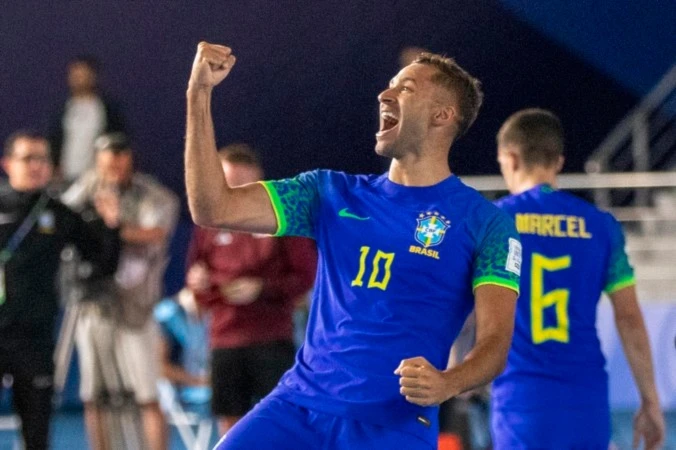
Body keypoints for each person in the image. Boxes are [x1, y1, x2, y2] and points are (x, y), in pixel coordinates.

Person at [185, 42, 522, 450]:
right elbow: (212, 207)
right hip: (297, 407)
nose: (385, 94)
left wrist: (448, 382)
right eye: (389, 85)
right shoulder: (329, 192)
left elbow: (495, 344)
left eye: (406, 88)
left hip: (392, 425)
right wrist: (198, 95)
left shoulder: (487, 224)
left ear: (442, 115)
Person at [491, 108, 665, 450]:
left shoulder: (495, 222)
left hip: (522, 400)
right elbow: (629, 318)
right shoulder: (601, 226)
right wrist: (650, 401)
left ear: (510, 158)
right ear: (558, 162)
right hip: (586, 400)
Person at [185, 143, 317, 435]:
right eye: (226, 181)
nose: (231, 190)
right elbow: (196, 274)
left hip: (271, 337)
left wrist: (261, 288)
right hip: (224, 338)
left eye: (239, 183)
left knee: (281, 422)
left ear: (257, 178)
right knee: (230, 423)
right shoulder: (209, 221)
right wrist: (199, 286)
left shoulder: (281, 217)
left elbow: (305, 276)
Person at [0, 130, 120, 449]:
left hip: (35, 338)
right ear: (8, 163)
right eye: (28, 158)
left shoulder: (60, 213)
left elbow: (102, 264)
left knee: (37, 433)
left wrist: (110, 227)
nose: (37, 165)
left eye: (43, 159)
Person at [62, 132, 179, 450]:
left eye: (118, 161)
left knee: (147, 395)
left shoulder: (154, 196)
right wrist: (97, 227)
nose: (112, 169)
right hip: (94, 306)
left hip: (135, 309)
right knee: (94, 397)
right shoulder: (86, 188)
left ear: (130, 160)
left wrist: (110, 226)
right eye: (105, 164)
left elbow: (155, 233)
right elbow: (62, 221)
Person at [47, 55, 126, 185]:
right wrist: (54, 167)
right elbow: (53, 140)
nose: (80, 79)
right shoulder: (62, 110)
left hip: (97, 180)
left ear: (94, 76)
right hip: (65, 178)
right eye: (76, 75)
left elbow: (117, 142)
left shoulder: (107, 110)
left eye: (84, 74)